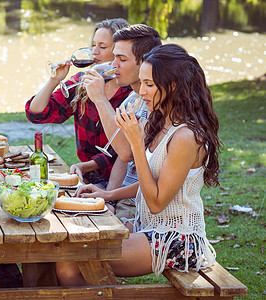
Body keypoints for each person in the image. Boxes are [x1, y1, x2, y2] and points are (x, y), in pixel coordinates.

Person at [56, 43, 221, 285]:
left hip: (176, 239)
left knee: (70, 258)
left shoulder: (186, 137)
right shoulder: (160, 120)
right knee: (64, 247)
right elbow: (153, 181)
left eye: (149, 84)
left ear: (173, 86)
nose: (141, 91)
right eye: (141, 82)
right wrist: (108, 193)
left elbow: (156, 201)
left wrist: (136, 144)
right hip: (148, 228)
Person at [25, 18, 131, 187]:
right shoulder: (82, 83)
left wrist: (85, 167)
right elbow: (36, 114)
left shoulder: (132, 93)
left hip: (123, 182)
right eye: (93, 45)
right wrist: (54, 80)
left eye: (102, 47)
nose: (94, 52)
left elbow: (122, 152)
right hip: (88, 177)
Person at [74, 24, 161, 220]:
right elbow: (122, 160)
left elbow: (126, 152)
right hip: (122, 195)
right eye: (114, 57)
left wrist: (100, 99)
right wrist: (108, 201)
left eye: (121, 59)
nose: (114, 65)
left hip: (141, 202)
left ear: (145, 63)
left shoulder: (155, 105)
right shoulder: (131, 99)